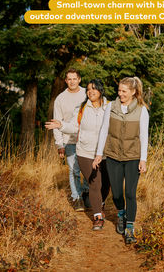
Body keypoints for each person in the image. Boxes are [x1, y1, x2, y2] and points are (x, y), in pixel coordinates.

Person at [46, 79, 110, 231]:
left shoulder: (109, 107)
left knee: (106, 184)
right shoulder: (82, 108)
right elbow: (74, 127)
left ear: (100, 90)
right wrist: (61, 125)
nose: (90, 92)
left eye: (94, 89)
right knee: (95, 183)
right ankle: (97, 217)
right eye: (88, 89)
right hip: (85, 152)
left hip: (106, 153)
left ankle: (100, 203)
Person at [93, 76, 149, 244]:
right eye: (119, 90)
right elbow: (104, 131)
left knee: (130, 193)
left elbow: (144, 136)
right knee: (117, 193)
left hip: (133, 157)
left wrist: (143, 159)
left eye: (124, 91)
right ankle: (121, 214)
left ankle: (130, 228)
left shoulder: (141, 110)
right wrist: (98, 154)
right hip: (113, 156)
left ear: (133, 92)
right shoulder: (111, 107)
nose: (121, 93)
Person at [52, 68, 89, 211]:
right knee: (74, 170)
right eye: (69, 79)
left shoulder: (87, 93)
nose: (72, 81)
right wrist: (59, 144)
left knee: (87, 169)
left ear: (79, 79)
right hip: (69, 140)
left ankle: (86, 192)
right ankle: (77, 197)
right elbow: (57, 122)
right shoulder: (61, 99)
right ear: (66, 81)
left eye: (75, 78)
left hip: (86, 140)